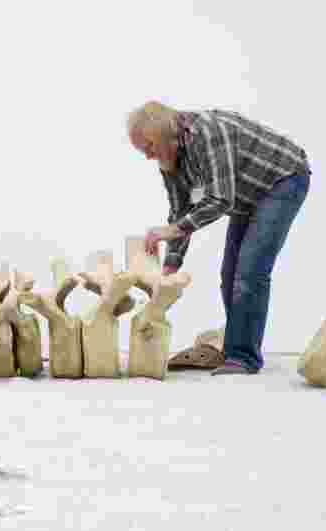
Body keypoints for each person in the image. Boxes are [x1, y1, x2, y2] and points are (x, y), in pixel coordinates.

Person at [126, 101, 311, 375]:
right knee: (230, 273)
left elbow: (220, 200)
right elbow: (180, 213)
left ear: (162, 133)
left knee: (249, 272)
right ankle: (236, 345)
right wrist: (169, 267)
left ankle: (243, 356)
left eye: (149, 148)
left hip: (282, 179)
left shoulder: (208, 133)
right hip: (247, 195)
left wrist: (169, 232)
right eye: (143, 152)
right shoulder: (169, 156)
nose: (148, 157)